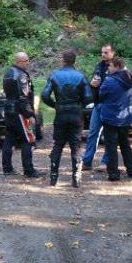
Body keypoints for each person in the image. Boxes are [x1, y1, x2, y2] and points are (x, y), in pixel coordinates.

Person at [41, 50, 92, 187]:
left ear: (63, 60)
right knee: (75, 146)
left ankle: (53, 178)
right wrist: (80, 105)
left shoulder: (54, 75)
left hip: (61, 113)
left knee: (58, 144)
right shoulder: (80, 76)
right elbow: (88, 97)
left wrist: (55, 105)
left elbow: (45, 95)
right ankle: (76, 178)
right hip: (76, 114)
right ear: (74, 60)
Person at [97, 58, 132, 182]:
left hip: (111, 117)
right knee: (125, 145)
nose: (108, 68)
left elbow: (101, 95)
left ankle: (113, 173)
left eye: (110, 66)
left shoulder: (109, 81)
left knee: (111, 147)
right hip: (126, 117)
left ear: (117, 67)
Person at [1, 52, 40, 178]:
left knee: (9, 138)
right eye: (26, 61)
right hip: (19, 111)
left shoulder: (8, 73)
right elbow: (23, 97)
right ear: (20, 61)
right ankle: (29, 170)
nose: (28, 63)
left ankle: (7, 169)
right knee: (28, 139)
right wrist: (29, 114)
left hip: (8, 109)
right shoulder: (21, 75)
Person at [82, 44, 115, 172]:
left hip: (110, 106)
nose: (103, 55)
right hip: (98, 104)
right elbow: (93, 82)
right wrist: (92, 84)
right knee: (93, 133)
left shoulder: (116, 66)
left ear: (113, 53)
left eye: (106, 52)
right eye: (102, 52)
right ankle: (87, 161)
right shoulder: (99, 66)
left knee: (109, 135)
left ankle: (105, 162)